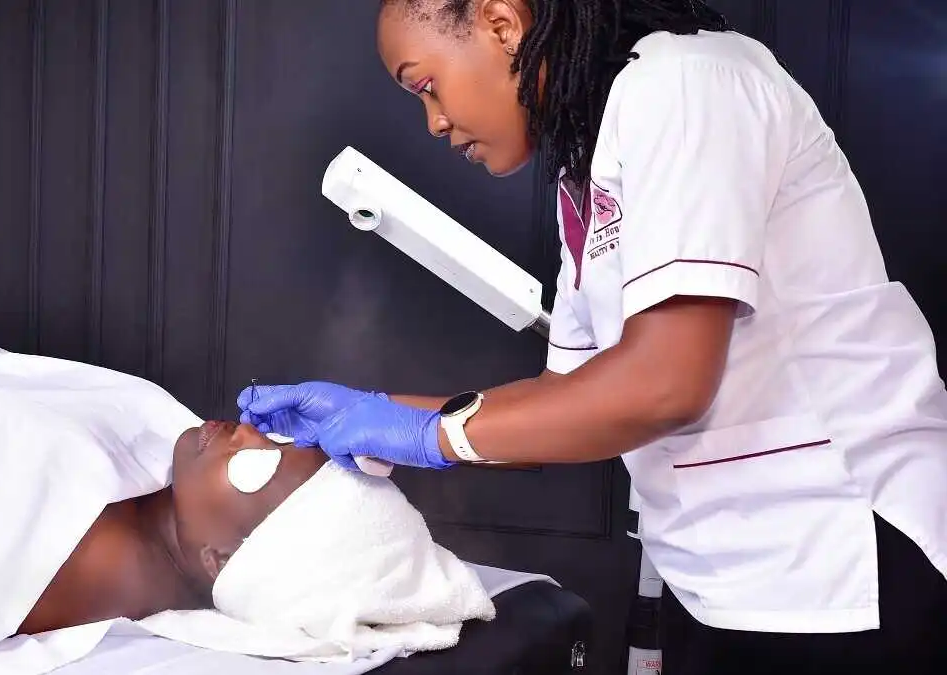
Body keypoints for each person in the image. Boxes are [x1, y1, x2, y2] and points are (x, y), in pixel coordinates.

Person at [240, 1, 947, 673]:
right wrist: (379, 415)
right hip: (725, 580)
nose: (433, 122)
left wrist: (426, 435)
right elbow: (567, 400)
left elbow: (665, 382)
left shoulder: (687, 83)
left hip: (847, 555)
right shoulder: (588, 167)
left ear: (501, 24)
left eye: (427, 86)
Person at [18, 420, 327, 635]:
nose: (246, 431)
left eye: (258, 465)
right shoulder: (175, 500)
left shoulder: (103, 556)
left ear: (220, 561)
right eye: (278, 438)